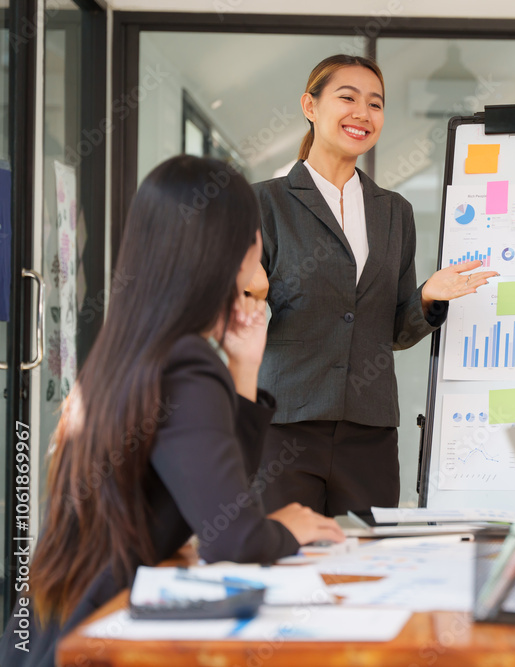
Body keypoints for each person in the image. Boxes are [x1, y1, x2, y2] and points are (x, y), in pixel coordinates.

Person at [0, 156, 343, 667]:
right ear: (238, 245)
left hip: (53, 630)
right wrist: (290, 529)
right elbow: (234, 538)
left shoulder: (134, 347)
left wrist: (244, 367)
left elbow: (221, 500)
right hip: (96, 637)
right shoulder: (186, 365)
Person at [252, 54, 497, 517]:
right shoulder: (265, 203)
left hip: (370, 430)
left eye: (375, 104)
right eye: (347, 98)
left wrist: (427, 297)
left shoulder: (394, 212)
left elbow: (396, 333)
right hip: (285, 425)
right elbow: (235, 310)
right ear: (310, 105)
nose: (362, 113)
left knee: (372, 567)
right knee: (286, 568)